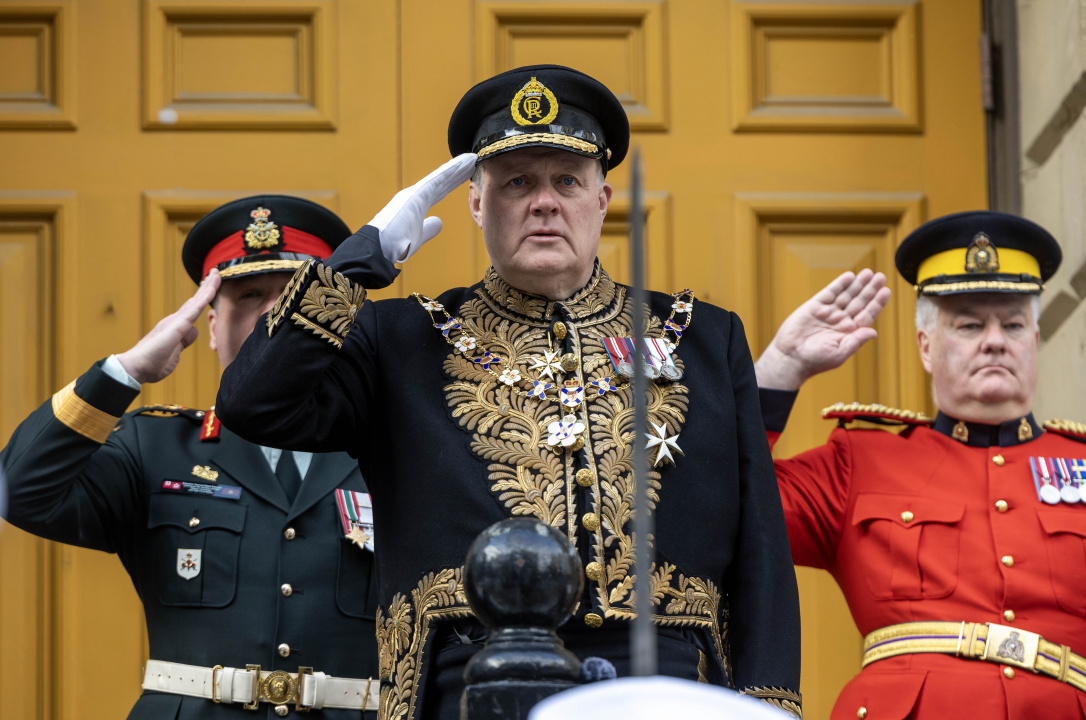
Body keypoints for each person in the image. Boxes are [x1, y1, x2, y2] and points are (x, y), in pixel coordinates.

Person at [215, 65, 802, 720]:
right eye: (517, 182)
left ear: (602, 201)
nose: (544, 202)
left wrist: (768, 704)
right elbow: (253, 402)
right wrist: (359, 261)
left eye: (566, 182)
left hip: (667, 681)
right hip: (461, 682)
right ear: (475, 202)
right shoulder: (400, 338)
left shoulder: (701, 339)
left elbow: (761, 552)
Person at [1, 196, 381, 719]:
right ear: (212, 327)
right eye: (247, 296)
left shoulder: (391, 452)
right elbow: (20, 491)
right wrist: (123, 372)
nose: (274, 314)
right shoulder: (155, 447)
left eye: (294, 297)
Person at [754, 210, 1086, 719]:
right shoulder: (858, 461)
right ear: (926, 346)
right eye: (970, 324)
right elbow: (722, 505)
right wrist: (781, 367)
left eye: (1013, 324)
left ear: (1034, 342)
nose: (994, 339)